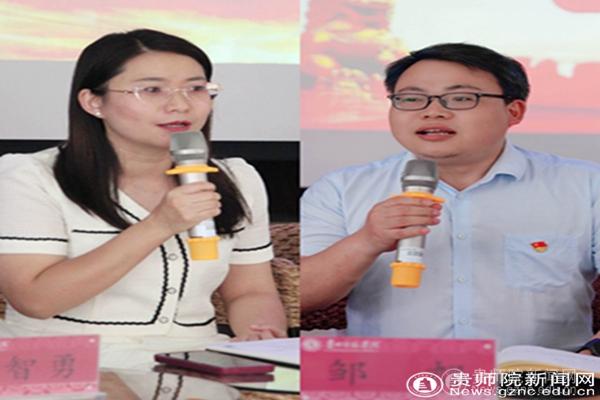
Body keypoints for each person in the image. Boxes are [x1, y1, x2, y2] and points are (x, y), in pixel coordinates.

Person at [0, 29, 287, 370]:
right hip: (60, 364)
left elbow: (249, 291)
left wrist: (262, 336)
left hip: (195, 363)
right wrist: (160, 225)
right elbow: (35, 300)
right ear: (93, 102)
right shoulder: (30, 176)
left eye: (196, 88)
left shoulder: (237, 178)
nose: (180, 104)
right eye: (152, 89)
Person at [301, 42, 600, 353]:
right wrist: (367, 240)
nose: (433, 111)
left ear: (514, 111)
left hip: (538, 378)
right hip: (391, 374)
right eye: (411, 99)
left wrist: (593, 354)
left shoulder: (587, 186)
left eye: (461, 98)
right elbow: (304, 297)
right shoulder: (341, 189)